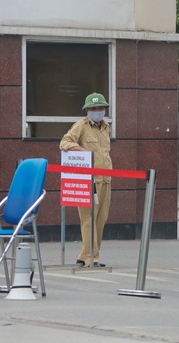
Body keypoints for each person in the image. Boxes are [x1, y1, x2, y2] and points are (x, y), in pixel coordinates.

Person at [60, 92, 112, 267]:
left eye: (100, 108)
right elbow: (64, 143)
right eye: (94, 108)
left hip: (105, 179)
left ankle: (84, 254)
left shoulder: (106, 127)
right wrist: (79, 149)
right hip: (89, 180)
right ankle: (92, 257)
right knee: (88, 219)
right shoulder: (80, 126)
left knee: (101, 219)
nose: (98, 111)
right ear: (87, 110)